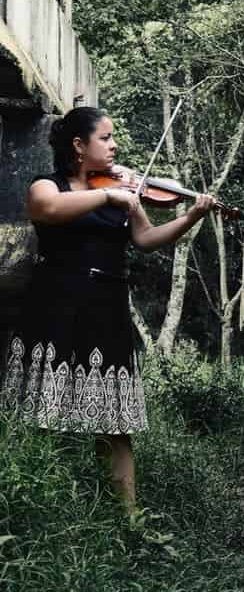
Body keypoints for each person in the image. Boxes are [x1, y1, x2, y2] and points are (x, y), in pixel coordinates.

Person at [0, 106, 215, 515]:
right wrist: (107, 195)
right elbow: (46, 210)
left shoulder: (125, 193)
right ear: (79, 146)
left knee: (115, 424)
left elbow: (148, 239)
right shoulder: (49, 185)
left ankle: (129, 516)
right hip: (55, 304)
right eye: (105, 138)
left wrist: (191, 215)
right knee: (41, 413)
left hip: (106, 307)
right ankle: (34, 505)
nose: (115, 145)